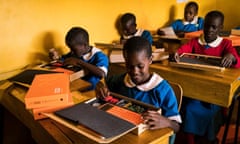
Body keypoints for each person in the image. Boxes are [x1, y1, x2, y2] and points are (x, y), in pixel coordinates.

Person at [96, 36, 181, 144]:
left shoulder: (163, 90)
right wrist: (99, 85)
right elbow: (103, 82)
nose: (134, 71)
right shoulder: (120, 80)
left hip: (150, 139)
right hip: (121, 135)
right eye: (129, 66)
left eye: (140, 66)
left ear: (150, 60)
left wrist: (167, 122)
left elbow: (176, 127)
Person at [174, 11, 240, 144]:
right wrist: (176, 53)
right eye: (207, 26)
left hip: (214, 92)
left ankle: (207, 138)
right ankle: (190, 138)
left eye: (214, 27)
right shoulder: (195, 42)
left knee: (204, 110)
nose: (209, 30)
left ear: (220, 28)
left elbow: (237, 61)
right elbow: (182, 49)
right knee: (186, 106)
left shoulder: (225, 44)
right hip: (195, 88)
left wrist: (231, 57)